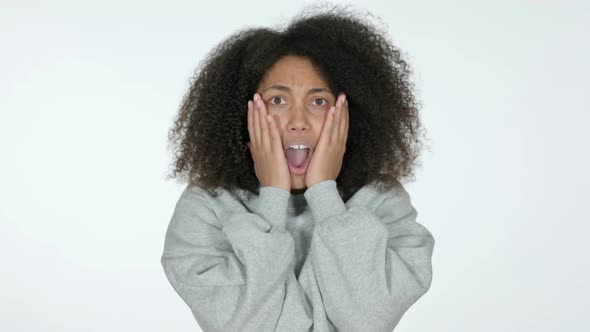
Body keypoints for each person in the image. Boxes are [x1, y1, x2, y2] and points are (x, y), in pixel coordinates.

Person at [160, 4, 435, 332]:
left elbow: (369, 322)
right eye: (278, 100)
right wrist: (272, 197)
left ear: (351, 114)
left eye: (319, 102)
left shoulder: (383, 203)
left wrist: (324, 194)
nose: (299, 122)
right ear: (239, 112)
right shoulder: (206, 208)